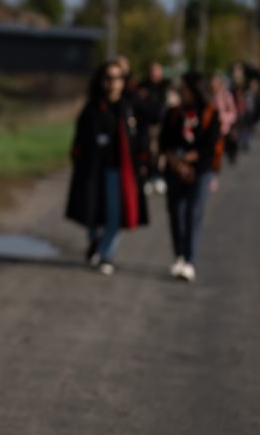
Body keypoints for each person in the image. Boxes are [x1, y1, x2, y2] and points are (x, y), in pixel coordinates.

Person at [65, 59, 148, 276]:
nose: (113, 83)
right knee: (93, 213)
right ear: (102, 81)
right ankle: (95, 242)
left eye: (118, 78)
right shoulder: (92, 108)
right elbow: (79, 141)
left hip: (119, 171)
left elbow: (142, 135)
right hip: (94, 171)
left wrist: (143, 160)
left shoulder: (128, 108)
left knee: (115, 215)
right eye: (109, 78)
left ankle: (106, 254)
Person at [159, 71, 221, 283]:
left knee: (193, 214)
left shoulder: (210, 114)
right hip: (175, 170)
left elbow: (209, 146)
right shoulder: (174, 114)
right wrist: (178, 164)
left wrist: (189, 162)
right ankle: (179, 255)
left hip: (200, 171)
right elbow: (163, 143)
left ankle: (190, 260)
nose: (181, 93)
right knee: (177, 213)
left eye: (184, 89)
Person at [134, 61, 170, 195]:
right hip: (144, 126)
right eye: (152, 71)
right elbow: (137, 106)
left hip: (159, 126)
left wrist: (148, 110)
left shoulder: (164, 88)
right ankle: (148, 177)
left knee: (158, 152)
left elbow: (160, 111)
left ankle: (158, 176)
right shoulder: (142, 87)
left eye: (156, 71)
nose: (154, 74)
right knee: (145, 151)